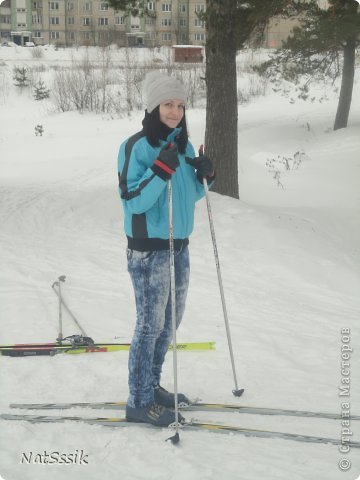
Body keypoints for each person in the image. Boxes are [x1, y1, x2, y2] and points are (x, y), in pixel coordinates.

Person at [117, 71, 214, 427]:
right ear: (153, 106)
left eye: (180, 105)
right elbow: (134, 202)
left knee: (170, 322)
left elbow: (191, 194)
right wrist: (160, 170)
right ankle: (138, 401)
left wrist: (206, 174)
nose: (175, 111)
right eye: (168, 104)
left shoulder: (184, 146)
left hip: (179, 245)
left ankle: (151, 385)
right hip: (148, 250)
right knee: (149, 324)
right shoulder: (136, 147)